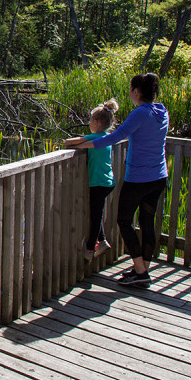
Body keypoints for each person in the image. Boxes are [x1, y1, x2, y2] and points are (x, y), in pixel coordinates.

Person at [74, 73, 169, 288]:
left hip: (138, 179)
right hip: (158, 177)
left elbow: (115, 137)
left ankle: (139, 270)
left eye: (130, 90)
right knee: (147, 222)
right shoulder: (162, 112)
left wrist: (83, 143)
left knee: (124, 221)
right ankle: (142, 269)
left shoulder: (139, 113)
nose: (129, 94)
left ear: (137, 92)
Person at [64, 99, 119, 261]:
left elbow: (68, 143)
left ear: (95, 122)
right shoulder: (107, 137)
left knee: (95, 216)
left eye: (89, 120)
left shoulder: (95, 138)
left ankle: (90, 249)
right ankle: (102, 241)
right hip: (108, 182)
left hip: (98, 183)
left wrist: (81, 141)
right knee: (97, 212)